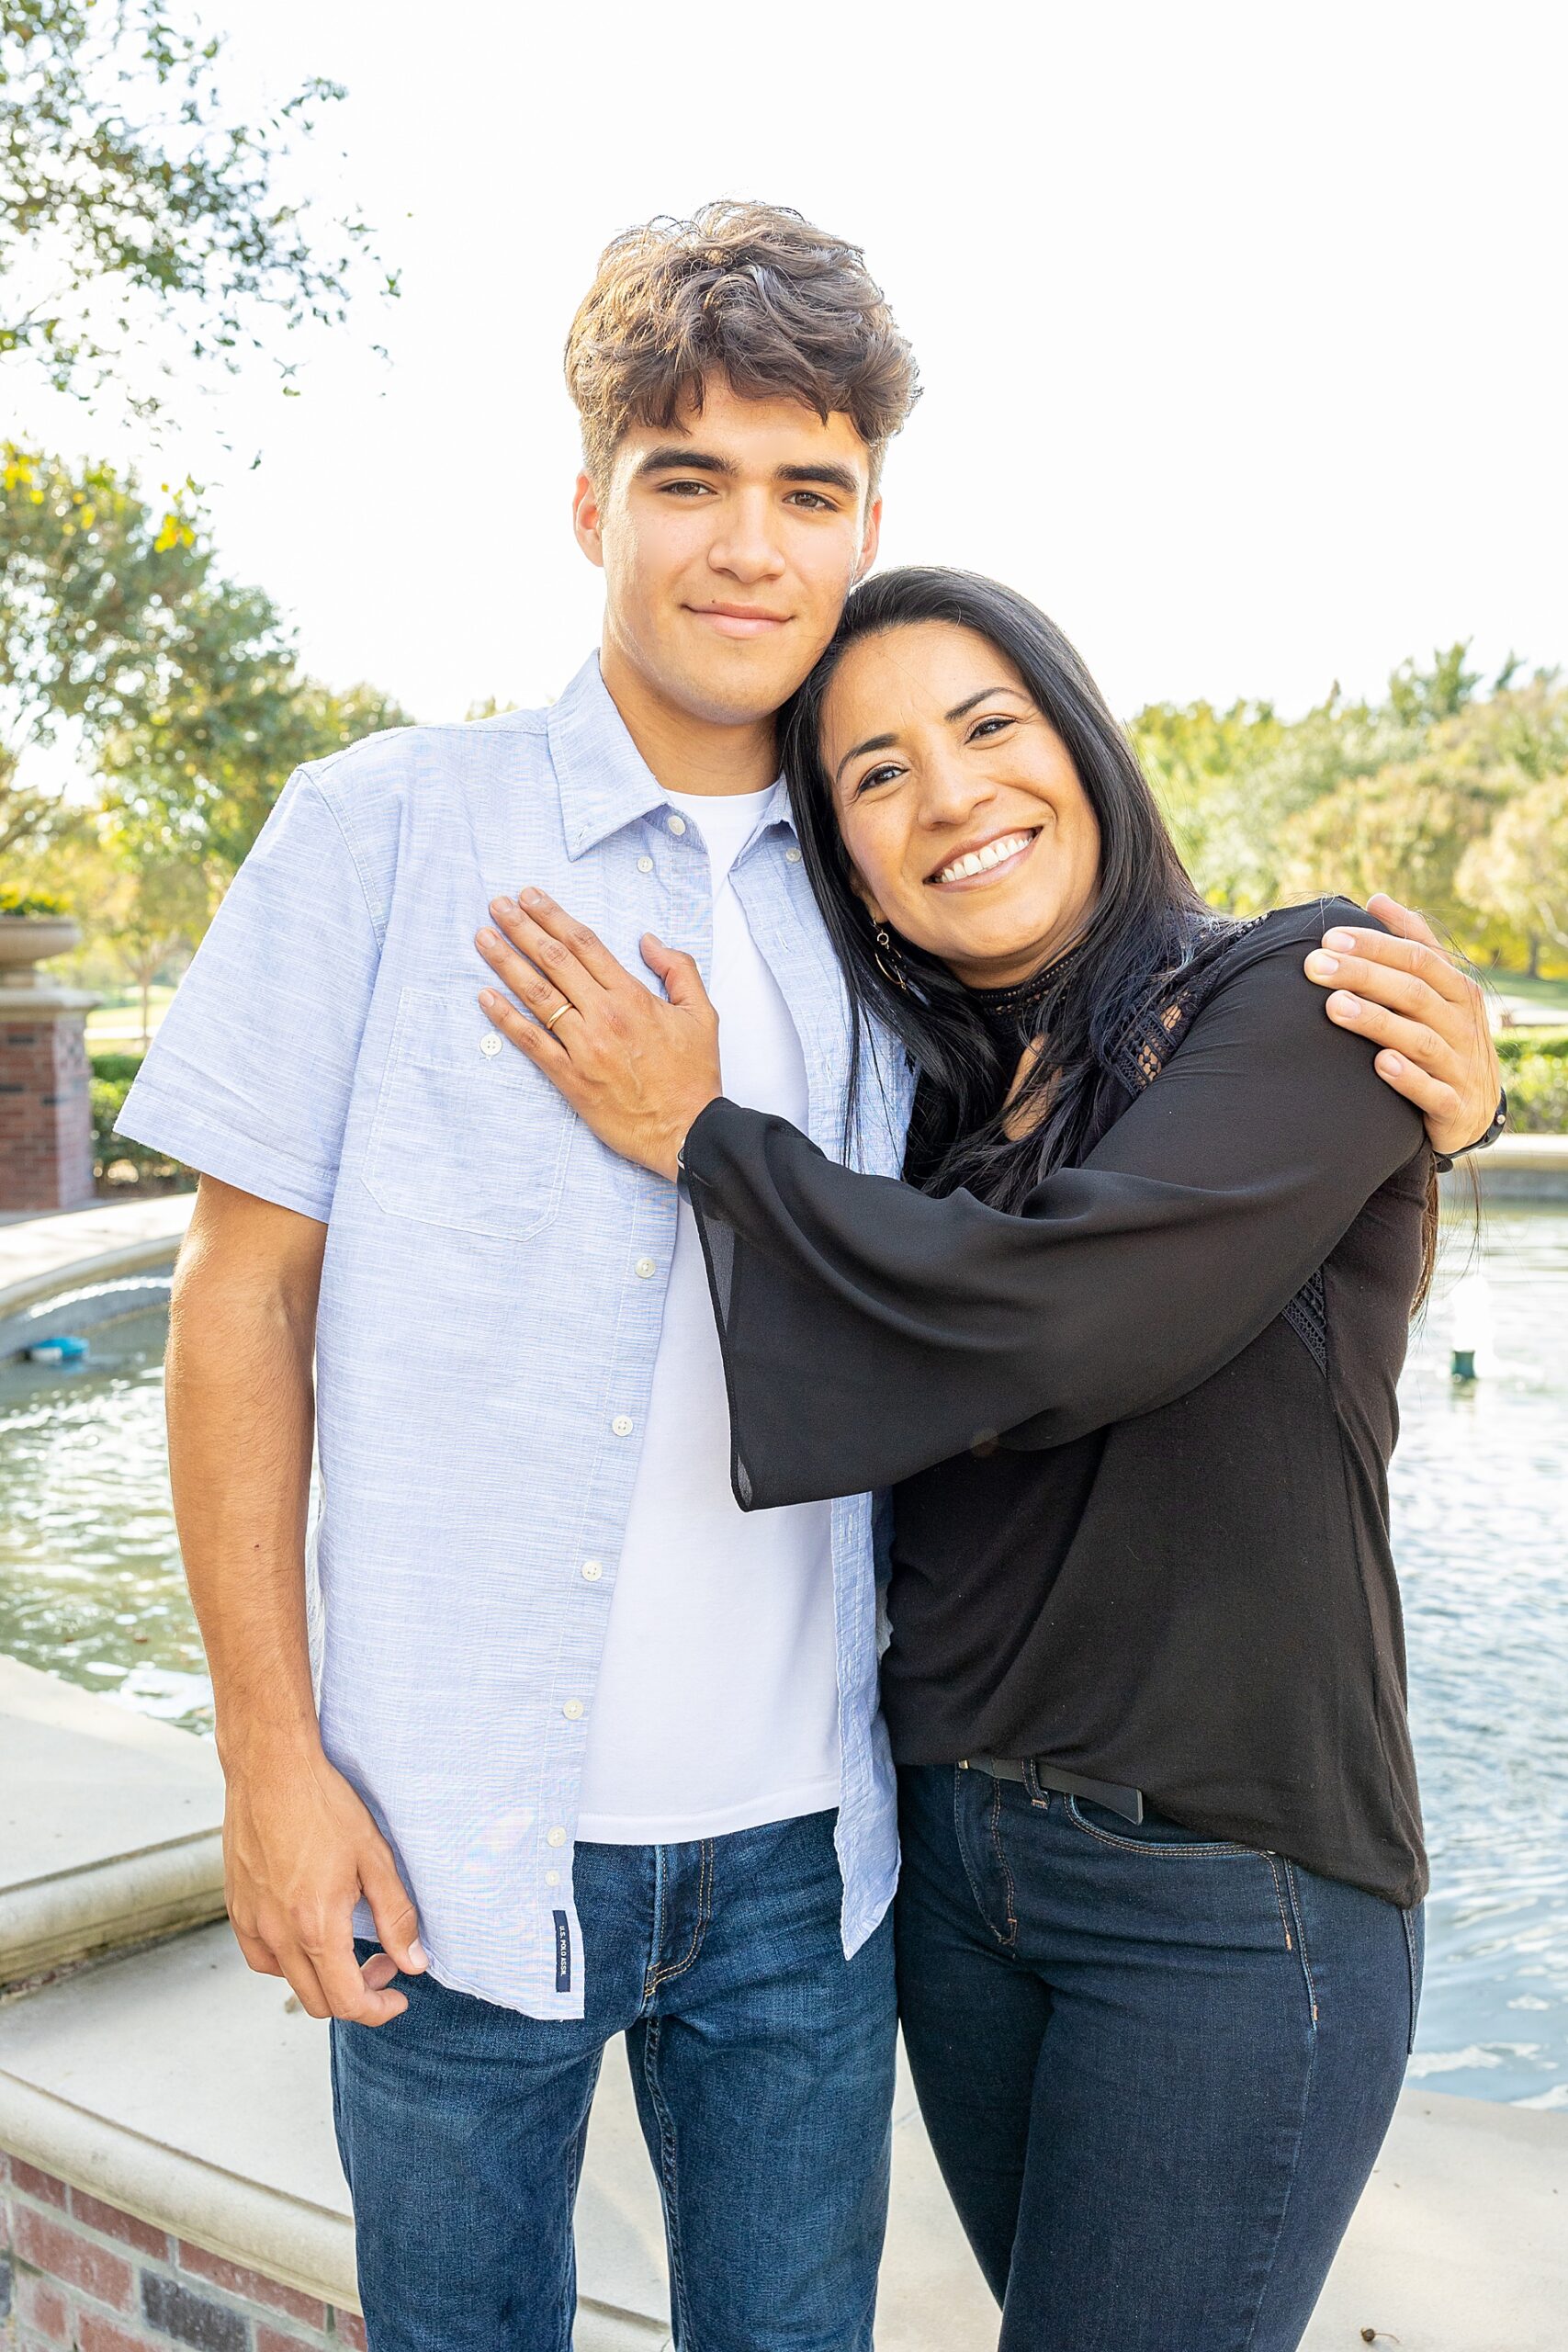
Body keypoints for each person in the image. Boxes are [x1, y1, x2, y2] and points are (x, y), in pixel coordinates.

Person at [116, 199, 1497, 2352]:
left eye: (807, 489)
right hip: (456, 1844)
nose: (746, 544)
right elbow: (239, 1301)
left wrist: (1437, 1096)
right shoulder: (384, 828)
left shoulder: (888, 941)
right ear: (591, 502)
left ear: (864, 518)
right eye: (687, 479)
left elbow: (1090, 1237)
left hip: (819, 1875)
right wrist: (268, 1762)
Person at [471, 564, 1507, 2352]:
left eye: (983, 727)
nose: (945, 794)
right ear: (845, 863)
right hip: (953, 1875)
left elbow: (1053, 1321)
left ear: (1084, 748)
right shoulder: (917, 1112)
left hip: (1222, 1888)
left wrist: (703, 1134)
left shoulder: (1295, 995)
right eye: (871, 773)